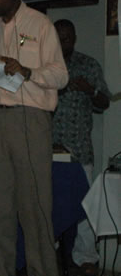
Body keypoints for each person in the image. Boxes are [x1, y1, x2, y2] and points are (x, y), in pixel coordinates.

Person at [0, 0, 68, 276]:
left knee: (35, 208)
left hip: (29, 119)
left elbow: (60, 75)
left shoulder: (40, 24)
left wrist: (28, 72)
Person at [53, 19, 110, 276]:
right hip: (46, 150)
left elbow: (104, 102)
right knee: (47, 204)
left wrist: (90, 89)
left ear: (74, 38)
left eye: (67, 37)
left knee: (85, 206)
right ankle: (49, 251)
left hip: (79, 150)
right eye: (59, 37)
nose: (63, 42)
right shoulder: (44, 67)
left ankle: (86, 256)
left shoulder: (88, 64)